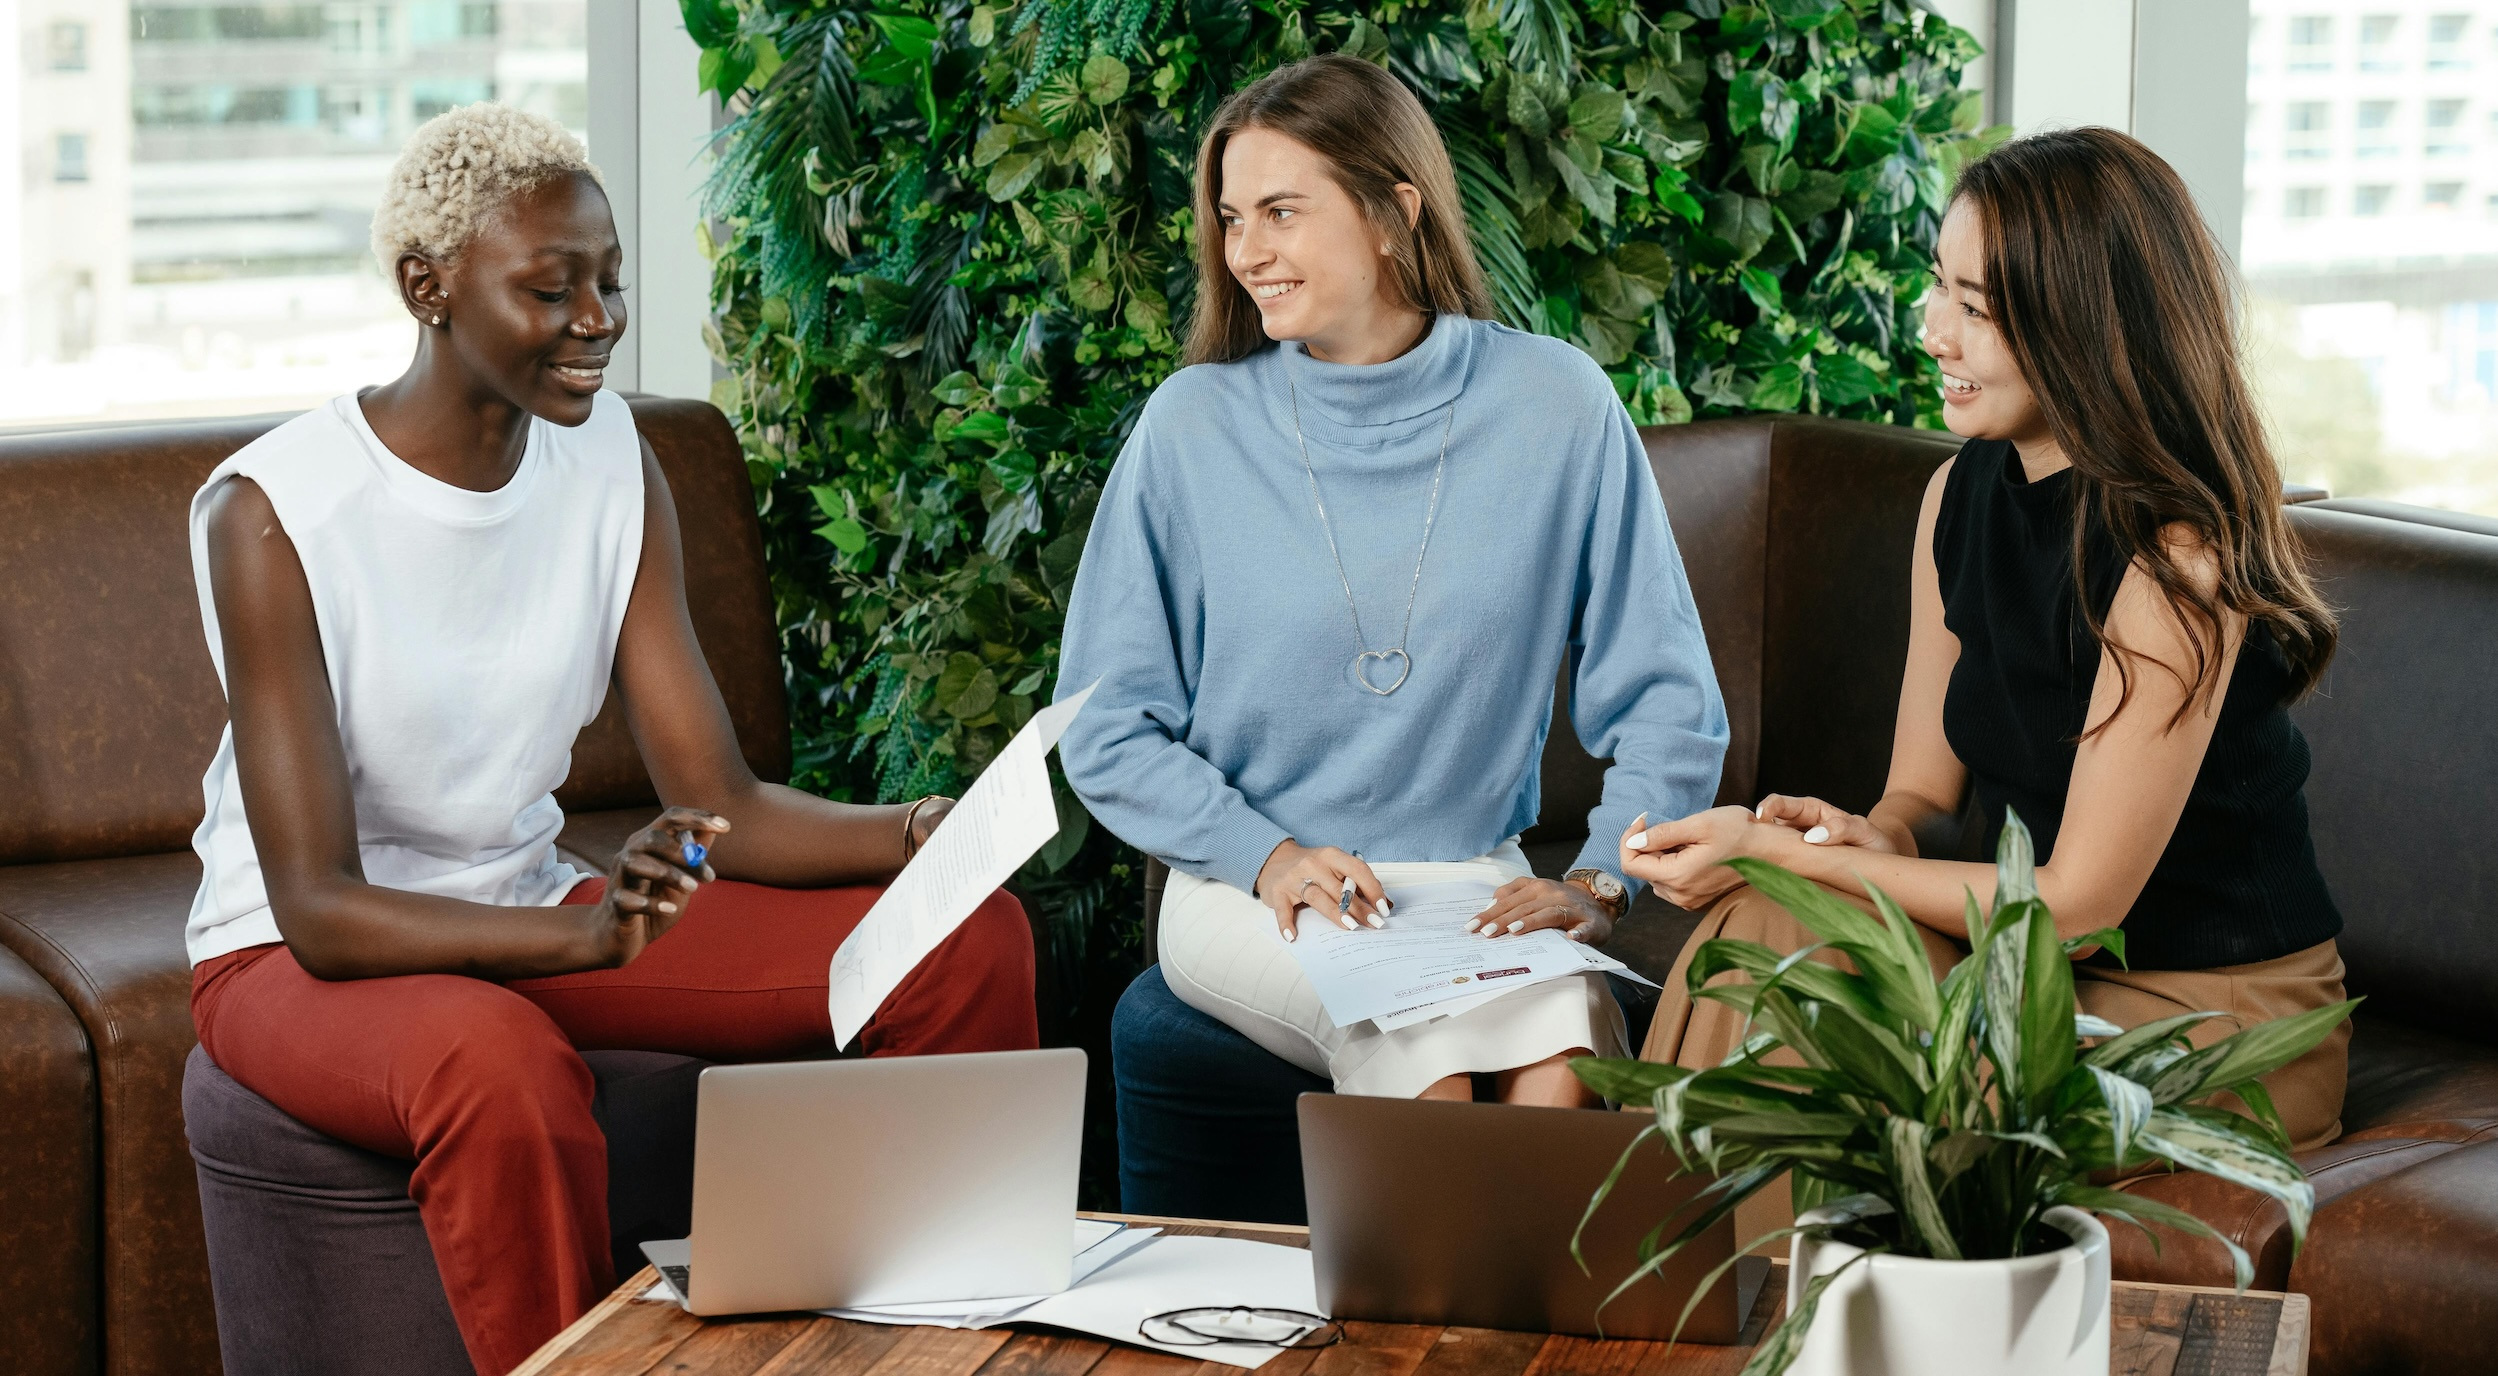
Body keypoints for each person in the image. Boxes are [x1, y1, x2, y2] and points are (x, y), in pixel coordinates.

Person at [183, 104, 1036, 1375]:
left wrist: (925, 833)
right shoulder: (274, 512)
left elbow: (718, 799)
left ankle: (938, 1341)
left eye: (610, 280)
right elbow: (316, 905)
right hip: (302, 958)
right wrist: (576, 932)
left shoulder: (609, 459)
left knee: (959, 940)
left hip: (536, 906)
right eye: (551, 287)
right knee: (499, 1066)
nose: (599, 318)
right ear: (428, 286)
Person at [1627, 128, 2351, 1152]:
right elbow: (1921, 800)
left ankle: (1731, 1293)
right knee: (1765, 930)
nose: (1932, 333)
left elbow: (2069, 905)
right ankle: (1664, 1289)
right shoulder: (1953, 497)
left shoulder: (2171, 559)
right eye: (1938, 289)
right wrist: (1852, 837)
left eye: (1975, 310)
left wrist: (1785, 857)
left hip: (2201, 1012)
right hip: (2028, 973)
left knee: (1813, 978)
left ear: (2083, 328)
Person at [1055, 56, 1728, 1107]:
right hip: (1251, 889)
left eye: (1280, 210)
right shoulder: (1191, 427)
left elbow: (1668, 702)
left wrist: (1600, 880)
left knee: (1564, 1064)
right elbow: (1103, 724)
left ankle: (1491, 1282)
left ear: (1391, 212)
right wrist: (1262, 850)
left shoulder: (1557, 406)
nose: (1246, 251)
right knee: (1435, 1067)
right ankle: (1440, 1277)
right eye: (1232, 217)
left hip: (1470, 875)